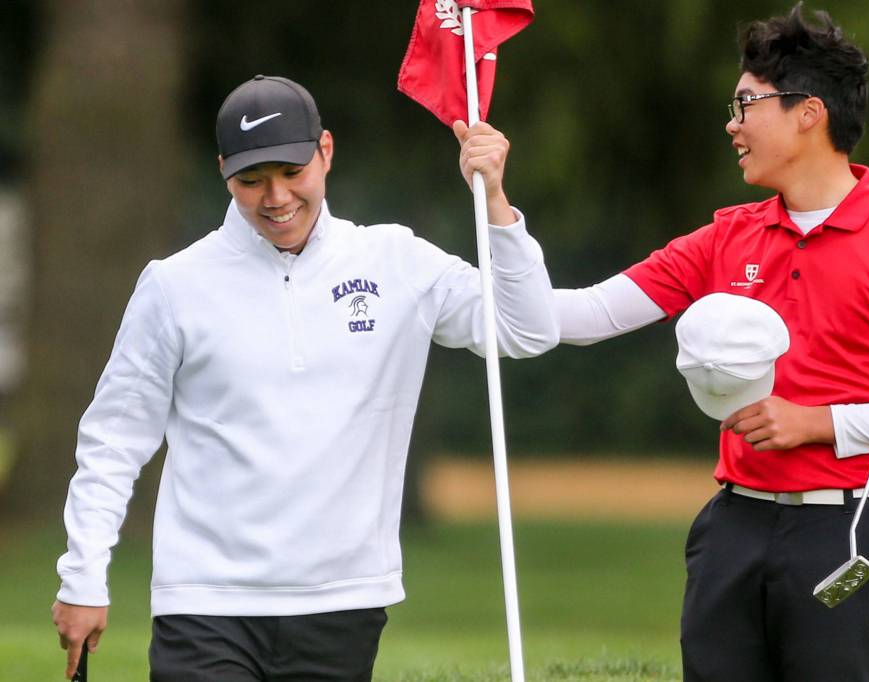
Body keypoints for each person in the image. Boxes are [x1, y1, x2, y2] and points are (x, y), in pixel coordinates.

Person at [51, 74, 558, 681]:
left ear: (326, 151)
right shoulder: (173, 285)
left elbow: (527, 330)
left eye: (292, 172)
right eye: (251, 179)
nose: (275, 196)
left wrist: (496, 203)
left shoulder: (396, 261)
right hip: (205, 602)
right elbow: (114, 439)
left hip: (341, 600)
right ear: (223, 172)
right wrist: (83, 575)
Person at [554, 5, 869, 681]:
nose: (732, 123)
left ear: (809, 113)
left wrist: (814, 423)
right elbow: (577, 318)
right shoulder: (727, 235)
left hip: (851, 527)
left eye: (746, 104)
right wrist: (498, 209)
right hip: (734, 526)